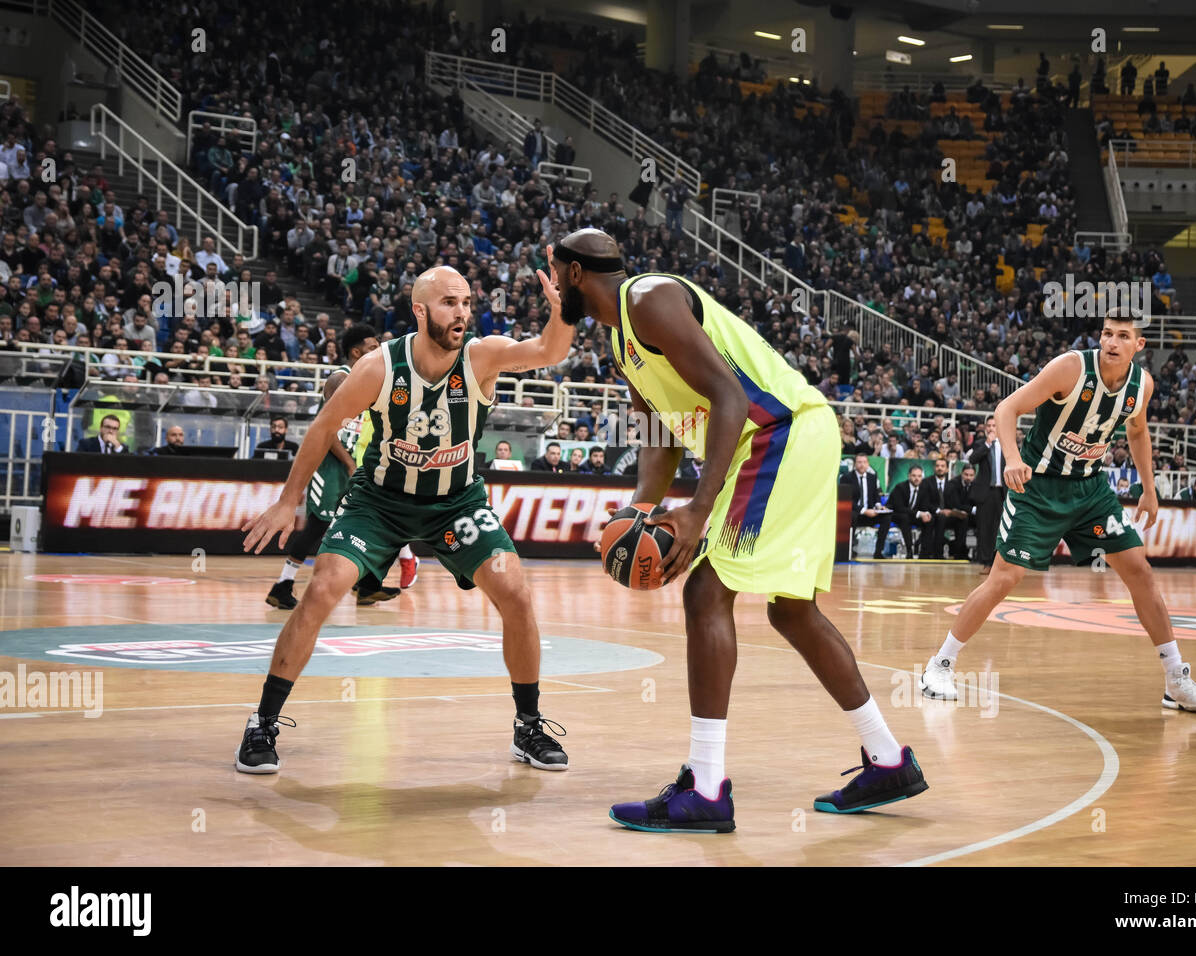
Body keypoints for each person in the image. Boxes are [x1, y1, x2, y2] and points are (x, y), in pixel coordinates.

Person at [548, 228, 926, 832]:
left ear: (570, 273)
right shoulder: (622, 339)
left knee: (705, 593)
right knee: (791, 612)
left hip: (776, 434)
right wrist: (639, 509)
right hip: (783, 436)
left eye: (550, 271)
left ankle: (706, 790)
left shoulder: (649, 299)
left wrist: (697, 511)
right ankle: (888, 760)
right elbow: (658, 436)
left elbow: (728, 396)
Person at [240, 263, 576, 774]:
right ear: (420, 310)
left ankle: (527, 724)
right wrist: (289, 501)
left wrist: (562, 310)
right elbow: (326, 423)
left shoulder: (481, 356)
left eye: (466, 303)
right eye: (449, 303)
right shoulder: (378, 366)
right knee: (323, 588)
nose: (462, 313)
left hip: (455, 502)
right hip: (380, 501)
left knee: (516, 591)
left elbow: (550, 351)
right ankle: (263, 722)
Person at [920, 312, 1196, 713]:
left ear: (1139, 345)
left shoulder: (1141, 385)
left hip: (1090, 489)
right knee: (1005, 578)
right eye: (1107, 334)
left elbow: (1138, 431)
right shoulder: (1071, 368)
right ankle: (939, 664)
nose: (1112, 342)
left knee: (1139, 571)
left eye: (1123, 336)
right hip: (1037, 486)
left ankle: (1175, 680)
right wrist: (1011, 458)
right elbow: (1006, 410)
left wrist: (1149, 489)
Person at [262, 325, 417, 608]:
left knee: (369, 522)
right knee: (317, 525)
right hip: (329, 466)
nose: (378, 351)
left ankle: (367, 586)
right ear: (356, 351)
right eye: (372, 347)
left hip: (354, 465)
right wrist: (348, 463)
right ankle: (282, 585)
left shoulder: (370, 382)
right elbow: (327, 430)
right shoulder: (339, 378)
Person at [969, 416, 1007, 574]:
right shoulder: (980, 444)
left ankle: (999, 563)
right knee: (984, 529)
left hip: (1002, 492)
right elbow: (973, 459)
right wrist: (987, 443)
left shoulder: (1007, 445)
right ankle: (986, 563)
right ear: (985, 428)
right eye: (989, 425)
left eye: (994, 425)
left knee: (1000, 529)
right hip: (985, 492)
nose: (991, 428)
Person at [884, 465, 926, 559]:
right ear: (909, 476)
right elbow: (899, 507)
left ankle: (923, 549)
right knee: (904, 518)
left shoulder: (924, 489)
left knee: (930, 520)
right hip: (896, 514)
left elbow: (924, 506)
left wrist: (925, 514)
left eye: (919, 476)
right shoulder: (900, 487)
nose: (916, 478)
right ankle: (909, 549)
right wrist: (918, 513)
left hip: (913, 514)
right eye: (914, 476)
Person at [917, 458, 953, 558]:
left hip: (948, 515)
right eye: (937, 466)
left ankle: (959, 553)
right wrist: (938, 511)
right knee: (935, 519)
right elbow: (924, 502)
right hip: (931, 513)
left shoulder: (951, 484)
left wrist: (952, 512)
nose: (939, 468)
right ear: (934, 468)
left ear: (947, 469)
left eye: (942, 466)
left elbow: (953, 502)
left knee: (963, 520)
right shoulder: (926, 482)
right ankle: (929, 553)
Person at [943, 464, 976, 560]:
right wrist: (972, 509)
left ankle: (982, 554)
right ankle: (959, 553)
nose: (968, 477)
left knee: (985, 520)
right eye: (966, 475)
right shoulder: (953, 483)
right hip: (953, 515)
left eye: (971, 475)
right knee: (962, 520)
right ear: (961, 474)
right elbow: (955, 504)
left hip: (970, 515)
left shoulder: (976, 484)